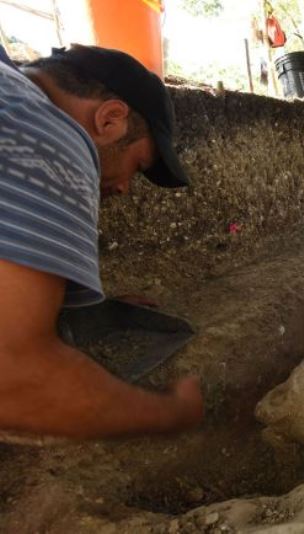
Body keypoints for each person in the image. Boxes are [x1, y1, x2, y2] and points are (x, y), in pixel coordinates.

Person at [0, 44, 204, 440]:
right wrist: (172, 413)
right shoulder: (44, 133)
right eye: (137, 165)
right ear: (110, 119)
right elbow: (13, 378)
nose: (125, 188)